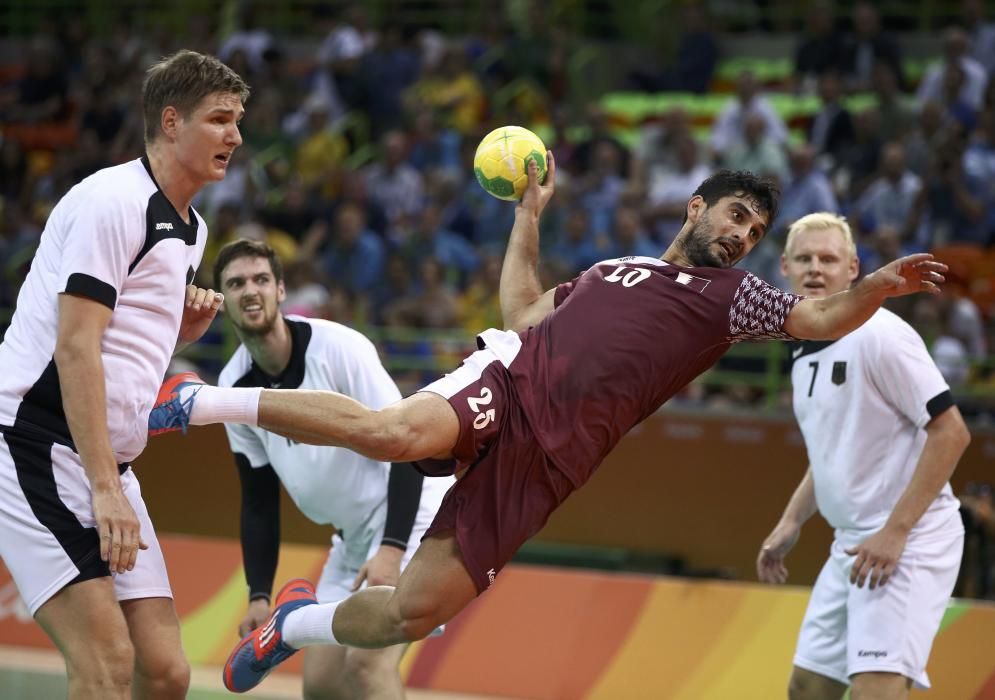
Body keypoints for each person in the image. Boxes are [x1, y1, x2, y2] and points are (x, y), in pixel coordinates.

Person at [149, 158, 947, 693]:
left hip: (551, 465)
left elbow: (816, 316)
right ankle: (199, 401)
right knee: (392, 434)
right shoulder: (608, 270)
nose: (742, 236)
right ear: (696, 207)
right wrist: (527, 217)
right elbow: (522, 314)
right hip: (511, 379)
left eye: (754, 232)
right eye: (735, 215)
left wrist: (871, 287)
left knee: (408, 611)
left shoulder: (731, 298)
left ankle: (294, 622)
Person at [0, 50, 247, 699]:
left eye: (237, 121)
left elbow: (122, 350)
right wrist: (106, 490)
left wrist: (179, 332)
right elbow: (76, 348)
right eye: (219, 119)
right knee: (106, 662)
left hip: (104, 459)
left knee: (163, 672)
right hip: (33, 442)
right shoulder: (112, 202)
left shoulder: (191, 229)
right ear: (171, 122)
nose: (235, 136)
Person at [210, 239, 451, 697]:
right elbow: (258, 497)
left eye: (261, 279)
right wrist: (260, 594)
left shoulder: (338, 348)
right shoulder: (233, 386)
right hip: (352, 536)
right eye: (236, 283)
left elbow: (407, 442)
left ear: (281, 290)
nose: (250, 291)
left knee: (365, 664)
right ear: (223, 300)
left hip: (414, 514)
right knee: (321, 684)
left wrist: (392, 549)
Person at [756, 212, 970, 700]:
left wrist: (895, 533)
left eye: (828, 259)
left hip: (909, 539)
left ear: (853, 269)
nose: (816, 268)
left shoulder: (880, 335)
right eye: (804, 258)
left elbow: (952, 433)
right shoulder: (802, 348)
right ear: (784, 269)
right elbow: (833, 450)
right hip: (851, 543)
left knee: (876, 690)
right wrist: (790, 523)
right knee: (808, 689)